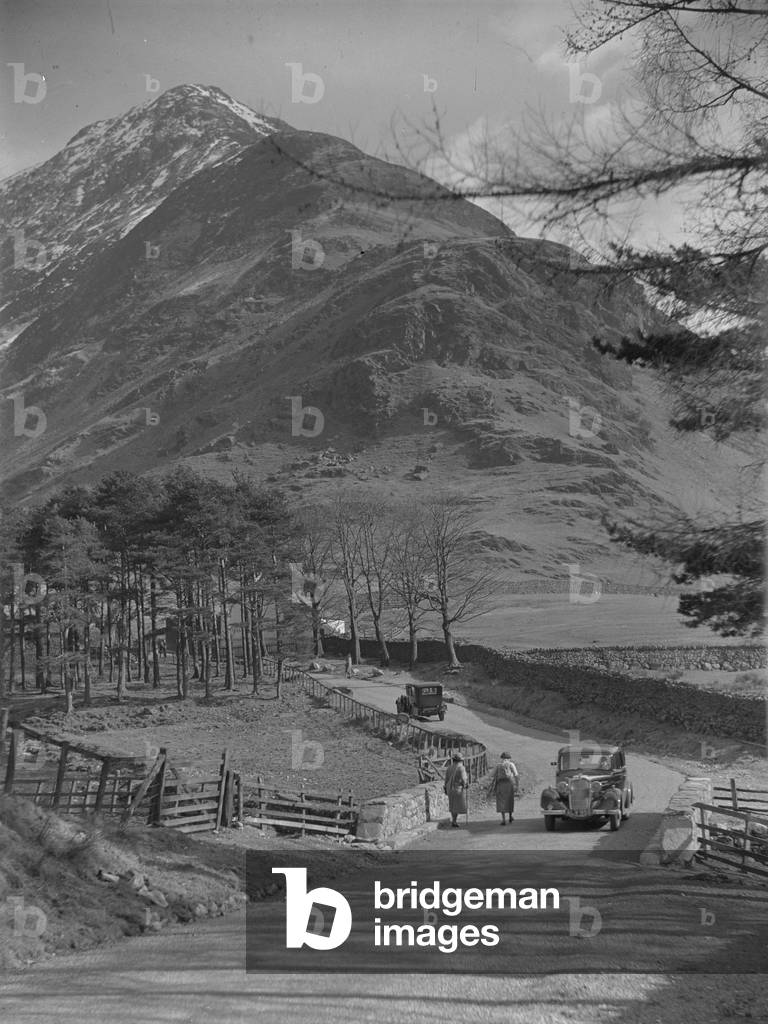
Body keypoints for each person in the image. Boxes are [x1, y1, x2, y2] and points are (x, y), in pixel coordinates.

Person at [488, 751, 519, 825]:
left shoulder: (498, 765)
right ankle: (510, 817)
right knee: (509, 800)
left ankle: (503, 819)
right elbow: (516, 775)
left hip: (501, 785)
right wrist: (517, 784)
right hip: (509, 784)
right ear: (509, 758)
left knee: (501, 801)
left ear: (502, 758)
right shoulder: (511, 764)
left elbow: (491, 775)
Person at [444, 753, 468, 828]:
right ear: (460, 761)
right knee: (457, 805)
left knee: (452, 805)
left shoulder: (449, 768)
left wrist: (445, 788)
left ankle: (454, 820)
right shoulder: (461, 768)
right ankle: (454, 820)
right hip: (458, 788)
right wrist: (465, 785)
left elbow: (446, 780)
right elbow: (464, 779)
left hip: (450, 788)